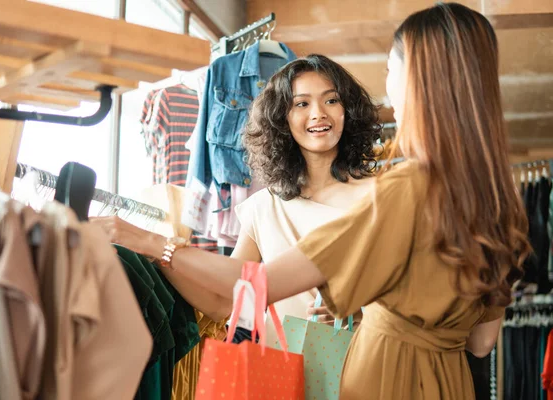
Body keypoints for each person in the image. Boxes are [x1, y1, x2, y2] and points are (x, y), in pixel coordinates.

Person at [92, 3, 530, 398]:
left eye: (392, 71)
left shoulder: (400, 193)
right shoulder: (497, 199)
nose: (389, 86)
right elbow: (481, 342)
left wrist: (150, 242)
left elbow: (260, 285)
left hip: (383, 381)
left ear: (419, 80)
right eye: (301, 104)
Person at [231, 54, 379, 343]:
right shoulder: (264, 206)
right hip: (276, 369)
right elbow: (235, 292)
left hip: (359, 366)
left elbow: (407, 292)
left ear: (348, 111)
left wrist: (361, 309)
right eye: (301, 104)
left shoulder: (378, 196)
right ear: (281, 119)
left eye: (331, 100)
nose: (318, 114)